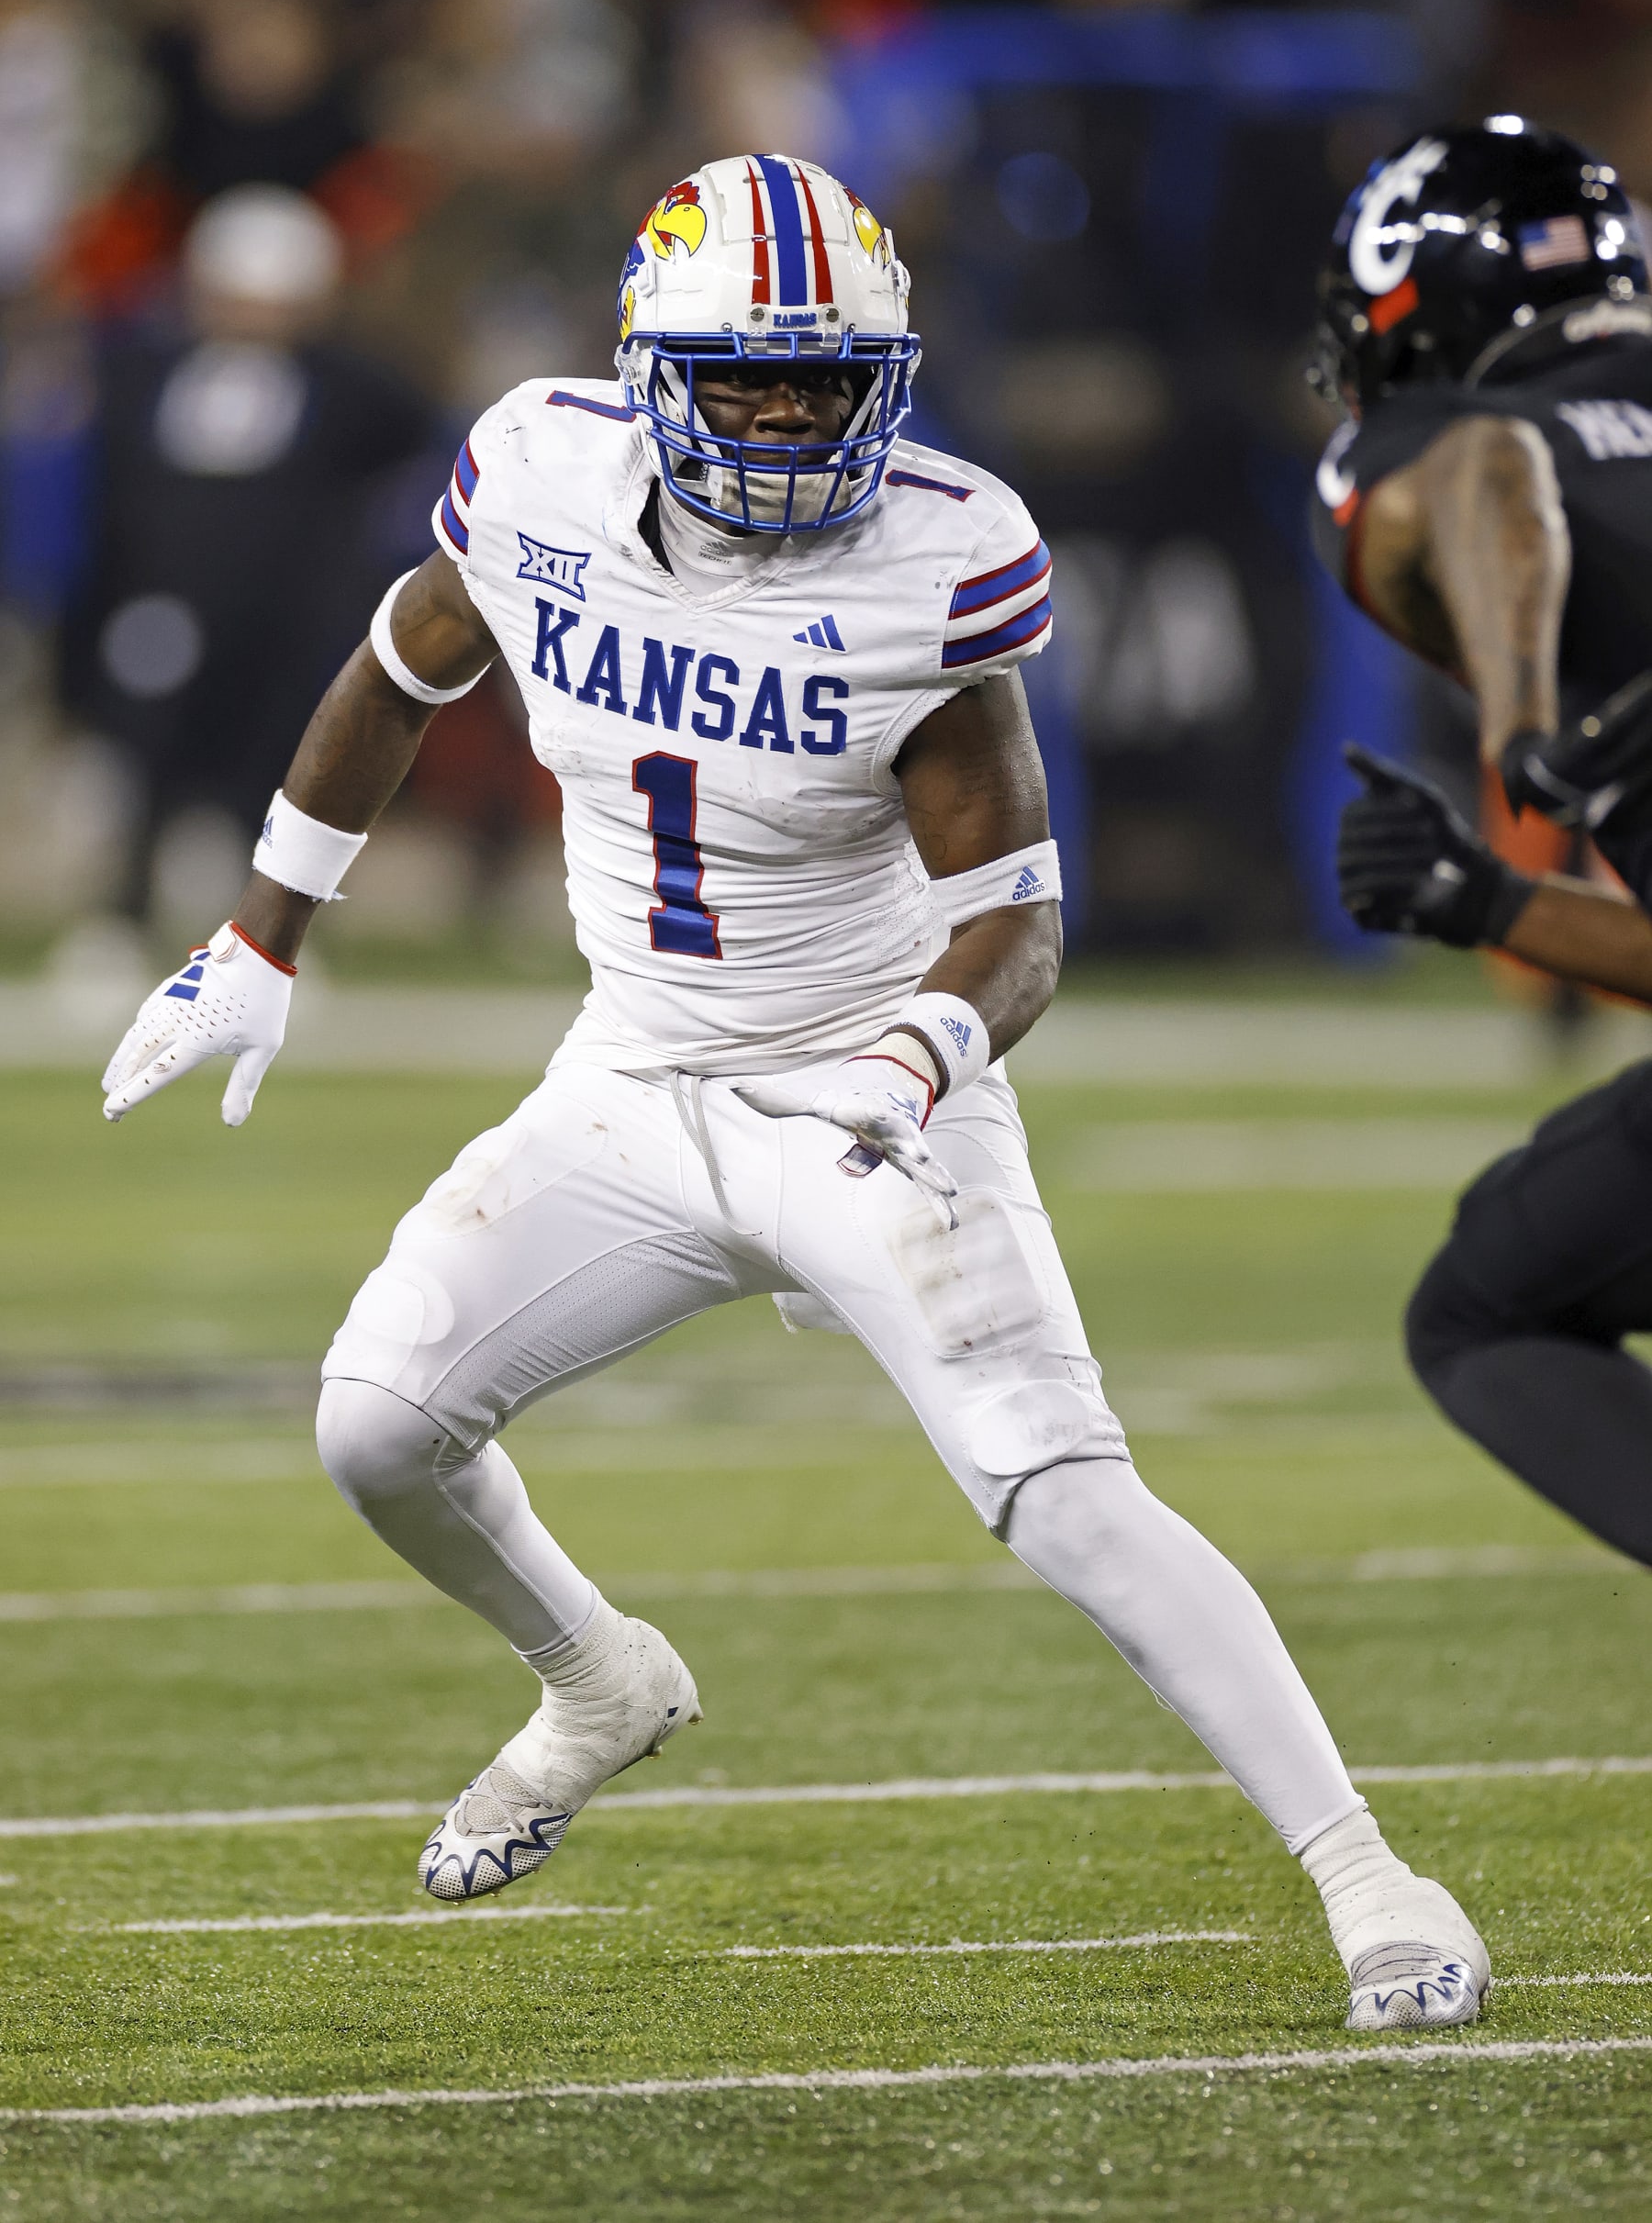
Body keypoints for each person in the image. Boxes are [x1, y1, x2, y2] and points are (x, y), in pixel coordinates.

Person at [102, 153, 1486, 2033]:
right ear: (650, 373)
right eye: (740, 379)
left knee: (1062, 1494)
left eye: (821, 383)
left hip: (867, 1088)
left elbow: (1017, 920)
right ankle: (598, 1679)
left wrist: (923, 1054)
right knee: (375, 1425)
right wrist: (263, 938)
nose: (777, 418)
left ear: (883, 383)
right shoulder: (541, 478)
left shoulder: (933, 563)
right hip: (629, 1079)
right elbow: (398, 670)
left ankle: (1371, 1878)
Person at [1310, 117, 1652, 1571]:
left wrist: (1521, 736)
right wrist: (1491, 901)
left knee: (1486, 1310)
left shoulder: (1455, 437)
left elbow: (1486, 467)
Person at [59, 184, 439, 922]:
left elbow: (412, 439)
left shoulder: (350, 389)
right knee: (145, 762)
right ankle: (122, 916)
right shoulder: (139, 375)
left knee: (275, 772)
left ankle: (268, 931)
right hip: (162, 606)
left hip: (286, 619)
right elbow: (113, 496)